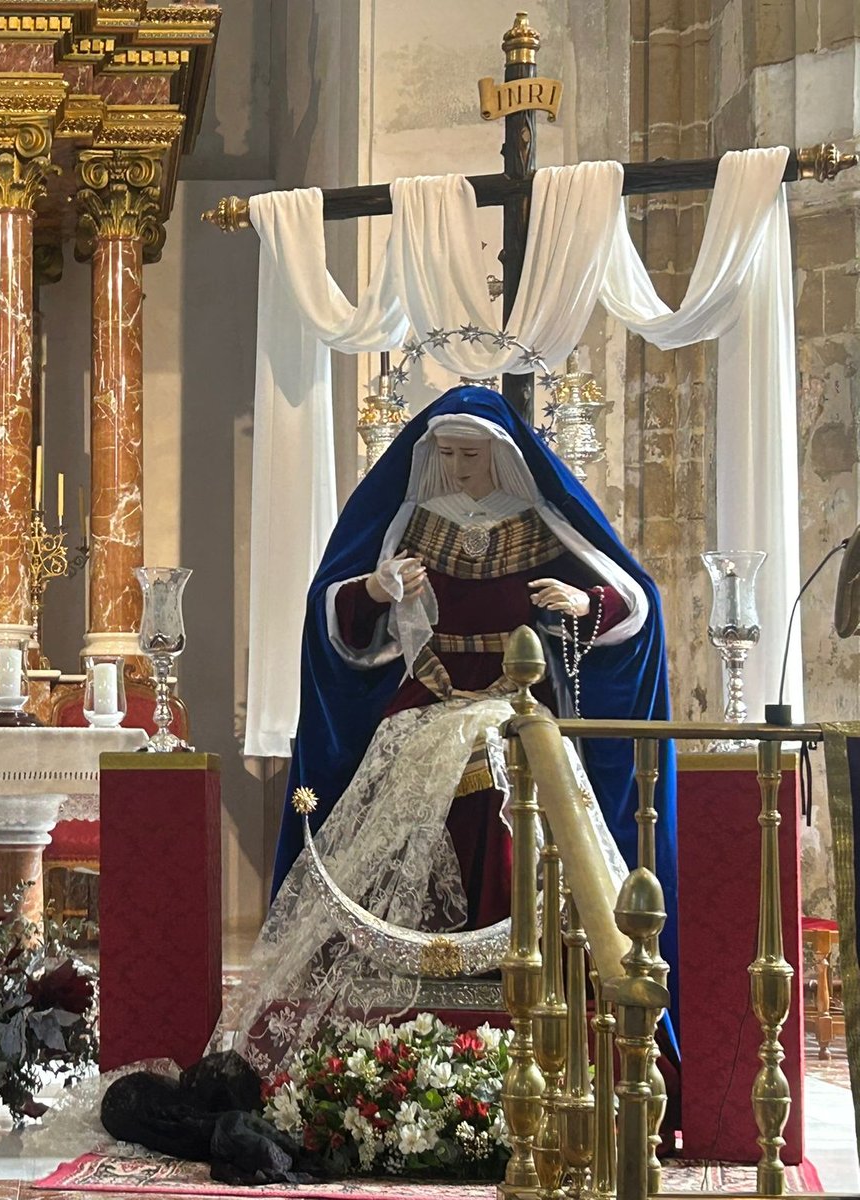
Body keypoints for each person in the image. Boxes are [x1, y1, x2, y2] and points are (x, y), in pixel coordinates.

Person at [224, 386, 676, 1071]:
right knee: (395, 804)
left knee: (509, 769)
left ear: (502, 456)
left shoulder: (542, 523)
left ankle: (524, 971)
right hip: (429, 699)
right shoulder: (413, 526)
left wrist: (588, 602)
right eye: (448, 454)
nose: (458, 467)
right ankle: (389, 982)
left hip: (517, 704)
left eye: (471, 454)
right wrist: (375, 592)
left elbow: (634, 598)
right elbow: (336, 613)